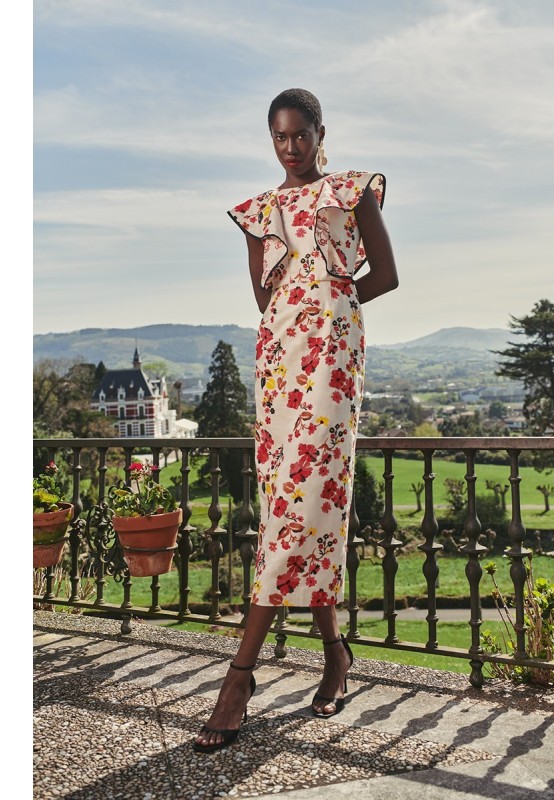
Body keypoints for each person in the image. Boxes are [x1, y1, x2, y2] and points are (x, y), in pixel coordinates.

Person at [194, 88, 398, 753]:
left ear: (319, 132)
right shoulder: (260, 212)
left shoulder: (352, 192)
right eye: (279, 138)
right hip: (279, 365)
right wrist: (296, 318)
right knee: (291, 506)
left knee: (300, 508)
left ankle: (238, 679)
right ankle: (336, 653)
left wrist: (334, 309)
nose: (290, 148)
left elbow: (386, 274)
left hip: (332, 364)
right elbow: (263, 298)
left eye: (300, 135)